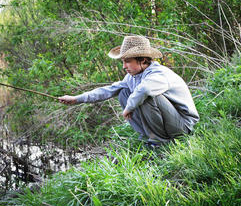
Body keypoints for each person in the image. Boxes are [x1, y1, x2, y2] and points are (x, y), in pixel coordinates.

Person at [58, 35, 199, 147]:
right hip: (168, 123)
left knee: (146, 96)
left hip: (183, 126)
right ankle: (148, 137)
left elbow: (145, 90)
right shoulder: (133, 76)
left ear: (143, 60)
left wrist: (129, 107)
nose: (124, 66)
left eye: (127, 61)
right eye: (123, 62)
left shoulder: (158, 73)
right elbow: (108, 90)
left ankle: (160, 142)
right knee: (124, 91)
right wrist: (77, 98)